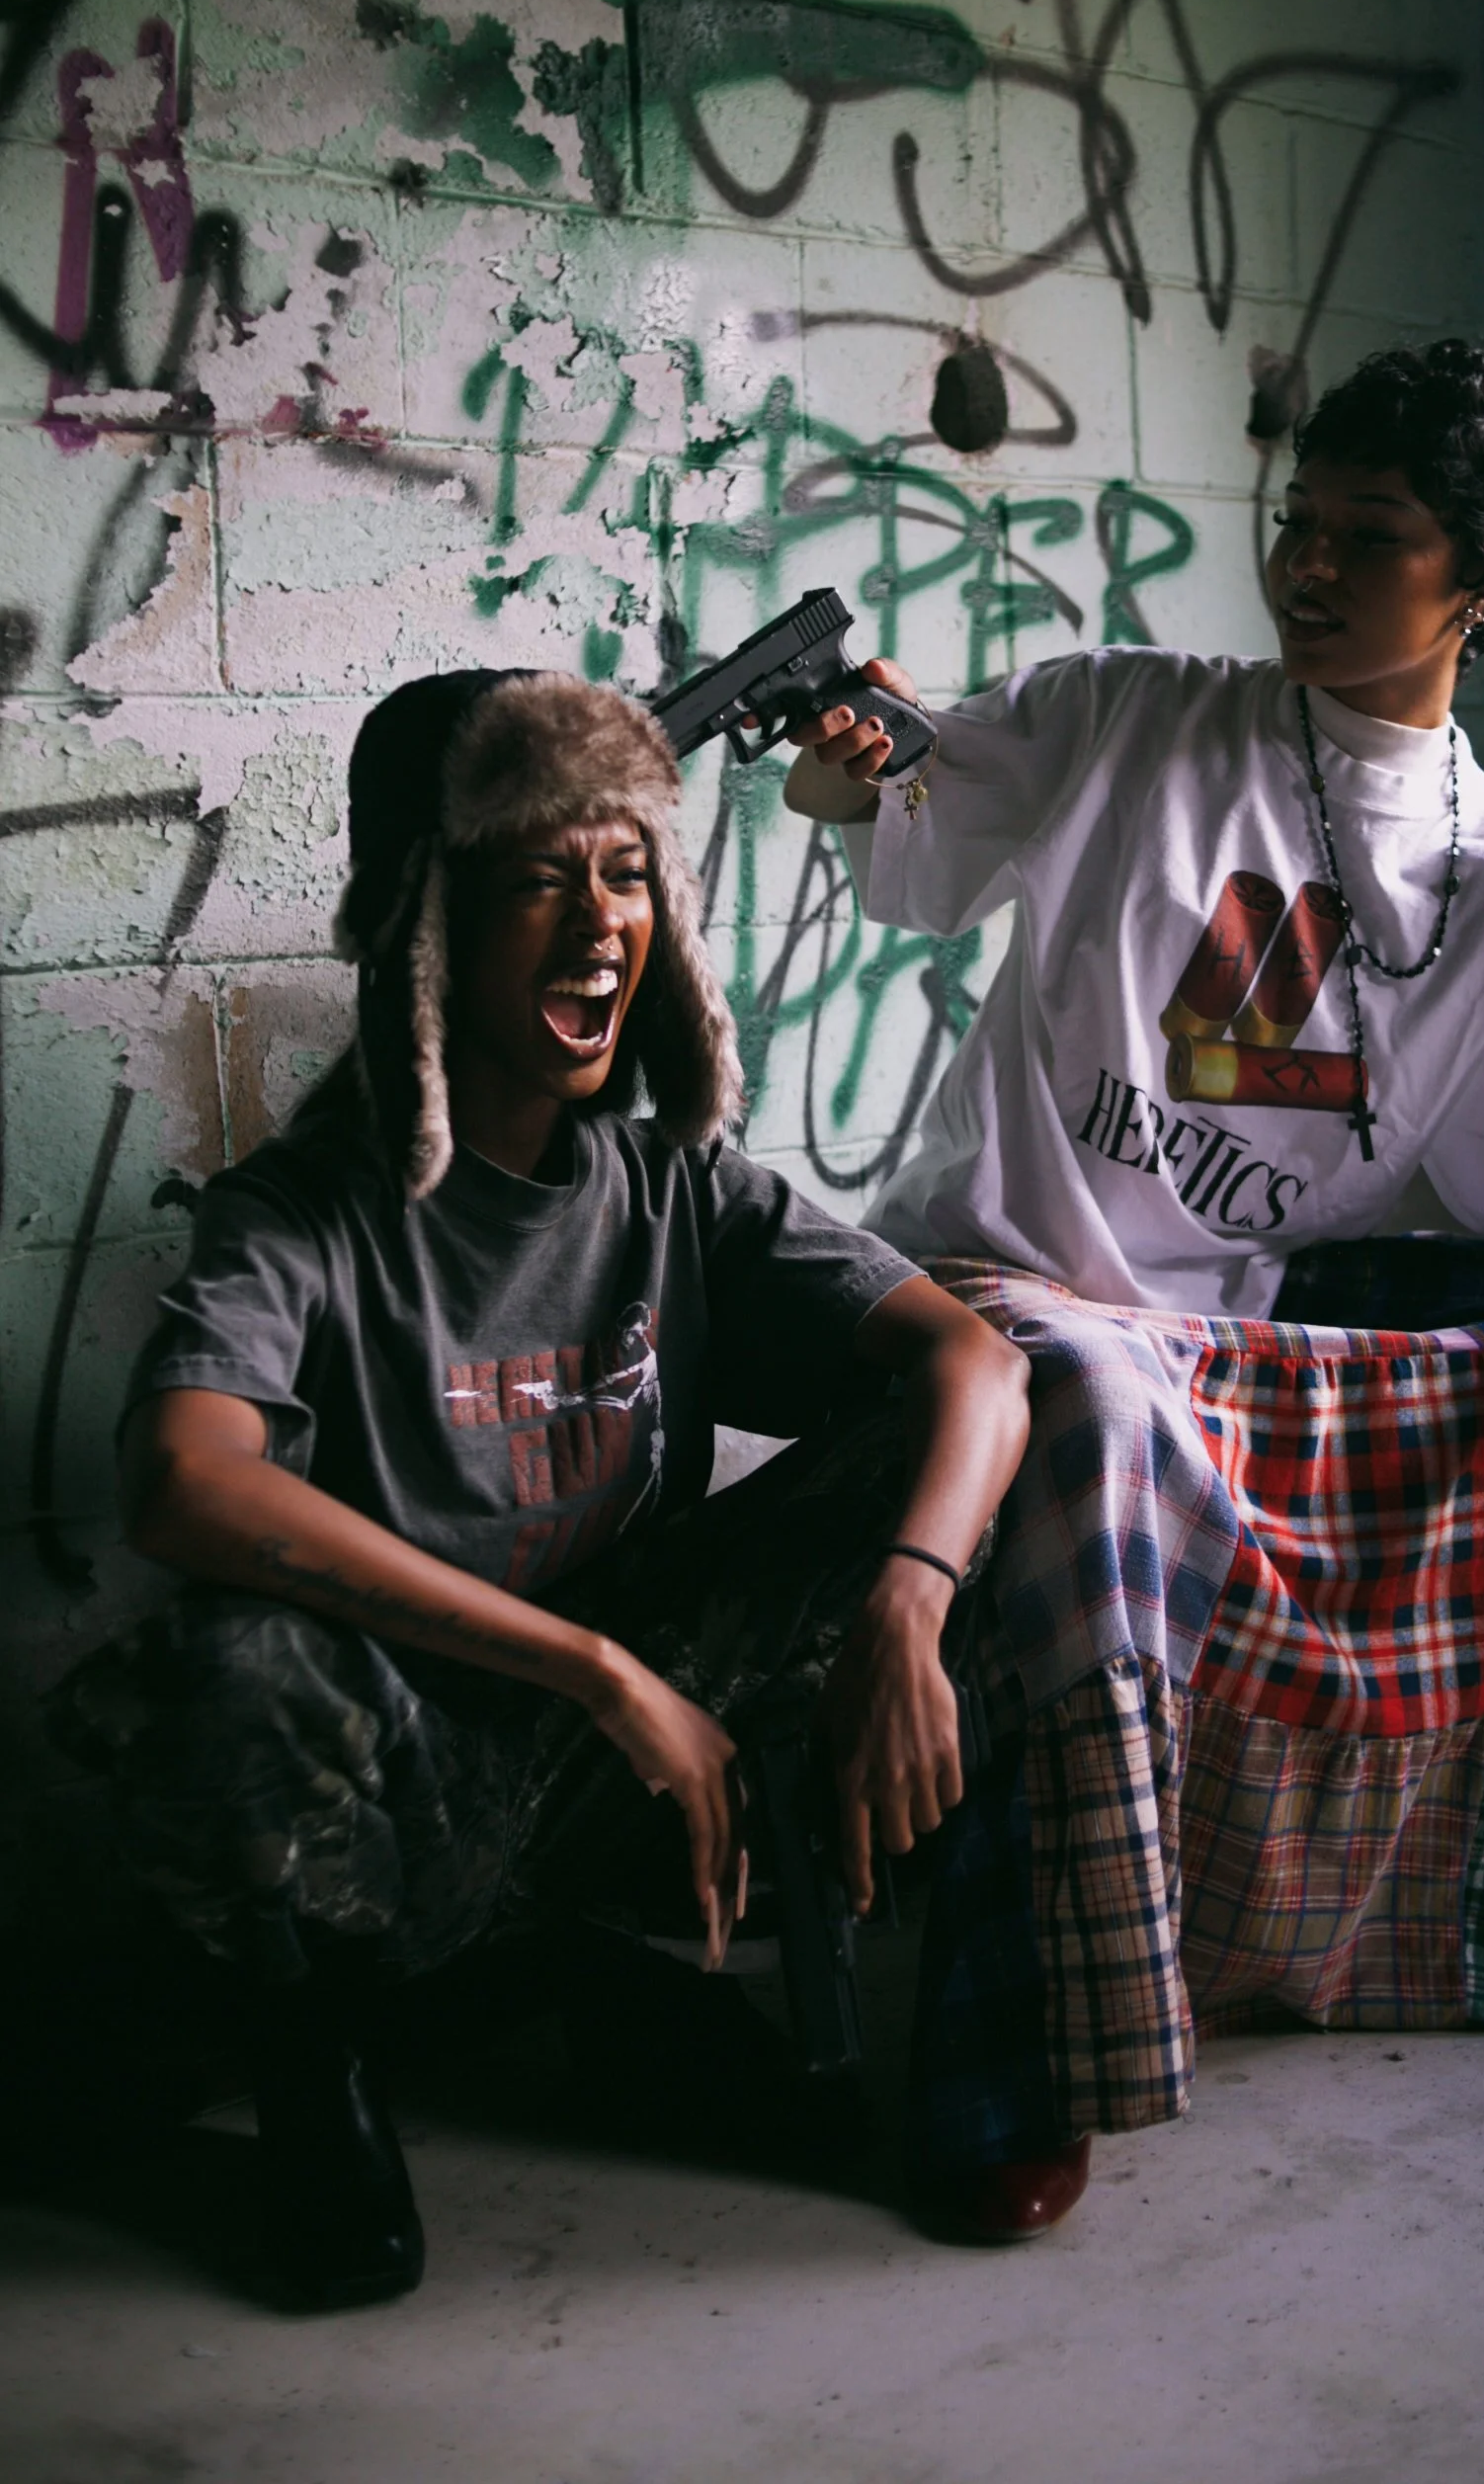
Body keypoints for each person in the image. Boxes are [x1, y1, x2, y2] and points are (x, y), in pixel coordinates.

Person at [784, 337, 1484, 2237]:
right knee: (1092, 1409)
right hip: (997, 1299)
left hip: (1214, 1338)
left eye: (1373, 539)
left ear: (1482, 591)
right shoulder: (1124, 718)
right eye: (1299, 525)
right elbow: (914, 845)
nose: (1310, 569)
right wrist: (857, 774)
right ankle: (1020, 2059)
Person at [56, 667, 1031, 2306]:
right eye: (536, 877)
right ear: (430, 919)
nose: (598, 926)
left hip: (626, 1784)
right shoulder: (308, 1209)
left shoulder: (675, 1188)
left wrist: (908, 1608)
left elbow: (979, 1363)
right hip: (425, 1768)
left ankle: (609, 1970)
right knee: (219, 1669)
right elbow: (179, 1481)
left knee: (1007, 1429)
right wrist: (590, 1671)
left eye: (627, 873)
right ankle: (327, 2068)